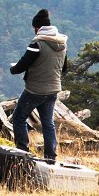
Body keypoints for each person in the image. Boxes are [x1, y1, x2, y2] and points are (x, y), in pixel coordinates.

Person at [10, 9, 68, 163]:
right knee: (48, 123)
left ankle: (22, 153)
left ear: (37, 27)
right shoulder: (62, 44)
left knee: (19, 118)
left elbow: (22, 65)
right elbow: (64, 68)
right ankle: (51, 157)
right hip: (53, 90)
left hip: (35, 90)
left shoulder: (37, 44)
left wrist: (13, 68)